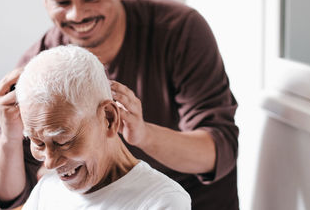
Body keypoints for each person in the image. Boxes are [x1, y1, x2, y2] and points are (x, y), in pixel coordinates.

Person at [0, 0, 239, 209]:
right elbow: (6, 197)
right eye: (62, 1)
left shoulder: (178, 31)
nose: (78, 14)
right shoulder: (41, 64)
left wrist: (143, 135)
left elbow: (218, 152)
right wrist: (10, 136)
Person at [14, 45, 191, 210]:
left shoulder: (161, 201)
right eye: (38, 144)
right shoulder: (47, 189)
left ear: (109, 118)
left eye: (63, 142)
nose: (49, 163)